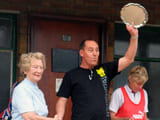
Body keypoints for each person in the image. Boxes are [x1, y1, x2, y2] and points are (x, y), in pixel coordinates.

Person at [55, 22, 139, 120]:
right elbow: (62, 99)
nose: (95, 54)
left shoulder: (105, 70)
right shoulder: (72, 75)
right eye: (90, 50)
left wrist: (134, 36)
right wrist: (59, 116)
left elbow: (129, 59)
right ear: (82, 53)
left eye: (97, 50)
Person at [11, 52, 55, 120]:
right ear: (25, 70)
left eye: (41, 67)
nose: (39, 71)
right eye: (35, 67)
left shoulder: (39, 92)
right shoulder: (22, 89)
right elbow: (29, 117)